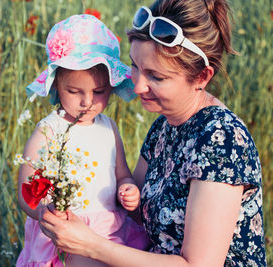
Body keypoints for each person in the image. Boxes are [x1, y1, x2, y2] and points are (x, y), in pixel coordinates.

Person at [39, 0, 267, 266]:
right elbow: (134, 212)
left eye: (156, 77)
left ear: (202, 77)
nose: (137, 86)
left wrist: (90, 244)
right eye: (135, 66)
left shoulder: (221, 140)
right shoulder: (164, 126)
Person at [16, 14, 150, 267]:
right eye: (75, 91)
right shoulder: (49, 130)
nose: (87, 102)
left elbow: (122, 174)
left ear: (111, 87)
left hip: (108, 230)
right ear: (56, 86)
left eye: (98, 92)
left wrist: (128, 188)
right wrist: (43, 211)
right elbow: (26, 188)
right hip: (65, 231)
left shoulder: (108, 127)